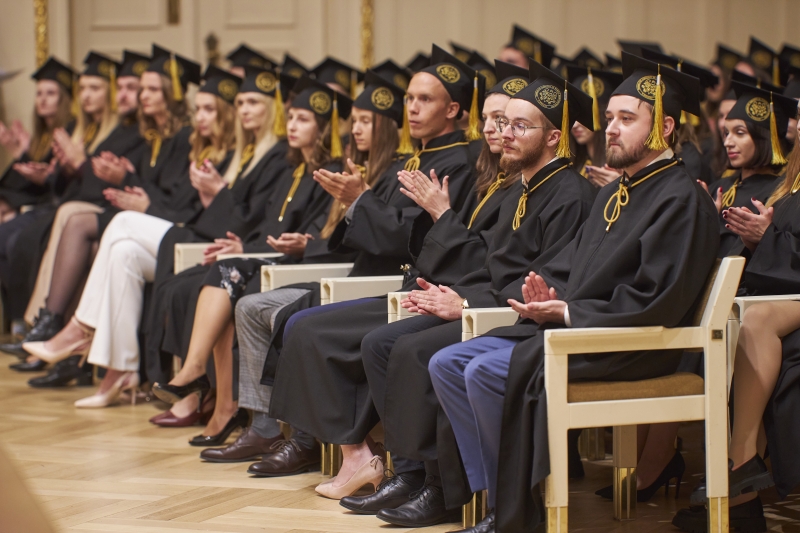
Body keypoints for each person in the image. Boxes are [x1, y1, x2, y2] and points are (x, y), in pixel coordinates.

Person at [428, 52, 719, 533]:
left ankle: (513, 509)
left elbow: (657, 299)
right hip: (583, 329)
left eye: (627, 119)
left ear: (664, 127)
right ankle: (495, 493)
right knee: (447, 362)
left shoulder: (680, 198)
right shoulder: (613, 192)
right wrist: (545, 292)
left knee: (483, 372)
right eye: (609, 118)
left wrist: (569, 312)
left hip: (632, 344)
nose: (611, 129)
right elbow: (570, 266)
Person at [329, 60, 596, 528]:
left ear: (554, 137)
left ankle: (441, 486)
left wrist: (468, 304)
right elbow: (490, 261)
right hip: (488, 304)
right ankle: (410, 471)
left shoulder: (570, 195)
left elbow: (546, 280)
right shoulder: (521, 189)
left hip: (517, 320)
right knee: (381, 342)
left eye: (519, 126)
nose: (504, 133)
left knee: (414, 350)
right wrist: (451, 292)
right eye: (502, 123)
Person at [260, 60, 531, 502]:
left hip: (450, 292)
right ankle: (329, 445)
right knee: (300, 320)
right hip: (428, 284)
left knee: (338, 332)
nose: (494, 130)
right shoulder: (482, 176)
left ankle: (387, 465)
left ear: (452, 109)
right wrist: (359, 204)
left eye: (507, 122)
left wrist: (368, 202)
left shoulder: (468, 167)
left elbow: (425, 243)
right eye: (491, 120)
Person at [148, 75, 349, 444]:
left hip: (302, 266)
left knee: (229, 278)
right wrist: (242, 245)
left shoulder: (331, 173)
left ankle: (213, 392)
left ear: (324, 127)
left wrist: (292, 245)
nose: (291, 125)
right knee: (218, 274)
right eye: (290, 117)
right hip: (270, 256)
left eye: (303, 119)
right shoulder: (293, 169)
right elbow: (266, 227)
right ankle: (216, 396)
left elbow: (319, 237)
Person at [19, 46, 209, 407]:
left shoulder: (184, 138)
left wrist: (141, 195)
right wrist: (126, 180)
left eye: (152, 89)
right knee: (120, 250)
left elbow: (180, 204)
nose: (143, 96)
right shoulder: (152, 136)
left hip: (180, 233)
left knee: (114, 224)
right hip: (155, 228)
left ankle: (78, 328)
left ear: (171, 94)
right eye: (143, 90)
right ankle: (120, 370)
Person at [673, 105, 800, 533]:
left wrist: (772, 240)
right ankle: (741, 498)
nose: (795, 125)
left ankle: (740, 462)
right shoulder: (791, 182)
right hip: (787, 292)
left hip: (784, 301)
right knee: (734, 328)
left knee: (758, 319)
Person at [2, 50, 147, 368]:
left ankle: (46, 326)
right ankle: (46, 330)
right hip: (97, 211)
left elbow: (114, 190)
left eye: (132, 88)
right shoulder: (97, 130)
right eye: (84, 89)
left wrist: (79, 165)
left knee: (70, 216)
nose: (124, 95)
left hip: (128, 214)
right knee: (52, 221)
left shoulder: (137, 134)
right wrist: (57, 172)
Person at [0, 57, 75, 326]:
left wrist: (45, 174)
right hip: (40, 205)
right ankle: (18, 319)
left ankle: (23, 320)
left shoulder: (70, 131)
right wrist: (21, 153)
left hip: (57, 207)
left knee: (9, 238)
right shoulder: (43, 135)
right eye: (39, 93)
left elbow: (53, 182)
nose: (42, 100)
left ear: (64, 98)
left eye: (51, 93)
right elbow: (29, 178)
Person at [703, 81, 795, 256]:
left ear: (764, 138)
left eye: (740, 133)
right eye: (727, 133)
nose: (727, 142)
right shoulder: (719, 187)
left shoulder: (777, 195)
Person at [565, 65, 622, 186]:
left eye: (583, 117)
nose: (574, 125)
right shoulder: (574, 163)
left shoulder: (618, 167)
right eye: (573, 117)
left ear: (602, 118)